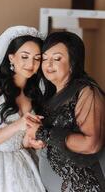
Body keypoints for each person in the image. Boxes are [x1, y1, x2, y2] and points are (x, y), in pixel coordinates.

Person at [27, 31, 105, 192]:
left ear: (73, 62)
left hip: (82, 186)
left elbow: (91, 144)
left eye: (56, 59)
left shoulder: (86, 92)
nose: (48, 65)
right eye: (45, 58)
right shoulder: (51, 94)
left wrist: (42, 133)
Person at [0, 26, 46, 192]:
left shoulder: (35, 93)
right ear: (11, 57)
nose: (31, 64)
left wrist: (31, 141)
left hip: (21, 163)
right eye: (24, 57)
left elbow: (23, 140)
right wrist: (18, 125)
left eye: (37, 58)